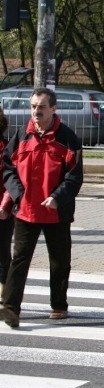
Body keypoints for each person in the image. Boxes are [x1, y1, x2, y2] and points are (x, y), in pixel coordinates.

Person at [0, 88, 84, 328]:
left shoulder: (67, 138)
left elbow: (75, 176)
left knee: (59, 260)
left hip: (56, 211)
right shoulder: (22, 136)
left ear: (53, 109)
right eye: (34, 106)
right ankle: (10, 308)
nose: (36, 111)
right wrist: (17, 194)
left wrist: (58, 197)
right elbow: (7, 168)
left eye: (41, 107)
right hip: (26, 210)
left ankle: (59, 305)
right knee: (20, 259)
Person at [0, 107, 13, 296]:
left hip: (2, 210)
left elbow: (12, 181)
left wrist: (5, 206)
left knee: (2, 253)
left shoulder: (6, 148)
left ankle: (4, 295)